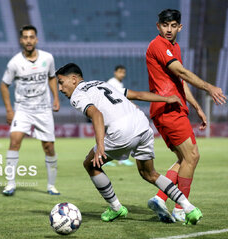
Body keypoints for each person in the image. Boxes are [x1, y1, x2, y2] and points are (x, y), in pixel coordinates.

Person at [56, 63, 203, 225]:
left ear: (74, 79)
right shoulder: (102, 83)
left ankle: (116, 208)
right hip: (141, 124)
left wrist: (100, 147)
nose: (60, 88)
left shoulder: (77, 95)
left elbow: (96, 114)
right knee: (149, 173)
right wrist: (166, 99)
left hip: (120, 131)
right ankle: (188, 208)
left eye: (61, 82)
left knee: (90, 164)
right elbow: (138, 95)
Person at [146, 9, 226, 222]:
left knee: (183, 159)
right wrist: (209, 87)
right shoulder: (159, 46)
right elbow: (181, 73)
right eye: (165, 25)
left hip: (169, 109)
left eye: (173, 25)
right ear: (158, 26)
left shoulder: (174, 48)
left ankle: (160, 197)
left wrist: (197, 106)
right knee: (192, 156)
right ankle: (181, 208)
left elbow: (178, 81)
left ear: (180, 27)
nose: (169, 29)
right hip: (169, 109)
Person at [0, 25, 60, 196]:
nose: (28, 40)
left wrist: (56, 98)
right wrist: (9, 110)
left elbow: (51, 77)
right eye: (25, 37)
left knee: (48, 147)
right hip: (23, 109)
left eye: (31, 37)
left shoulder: (48, 58)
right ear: (21, 40)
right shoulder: (14, 62)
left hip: (43, 109)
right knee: (14, 140)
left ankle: (51, 186)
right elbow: (4, 85)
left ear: (36, 39)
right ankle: (10, 184)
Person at [106, 65, 134, 167]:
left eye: (123, 72)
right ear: (115, 72)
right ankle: (118, 159)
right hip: (113, 114)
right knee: (119, 136)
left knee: (117, 136)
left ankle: (119, 159)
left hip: (115, 113)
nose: (122, 74)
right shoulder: (113, 83)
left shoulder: (117, 83)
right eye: (120, 72)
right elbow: (122, 97)